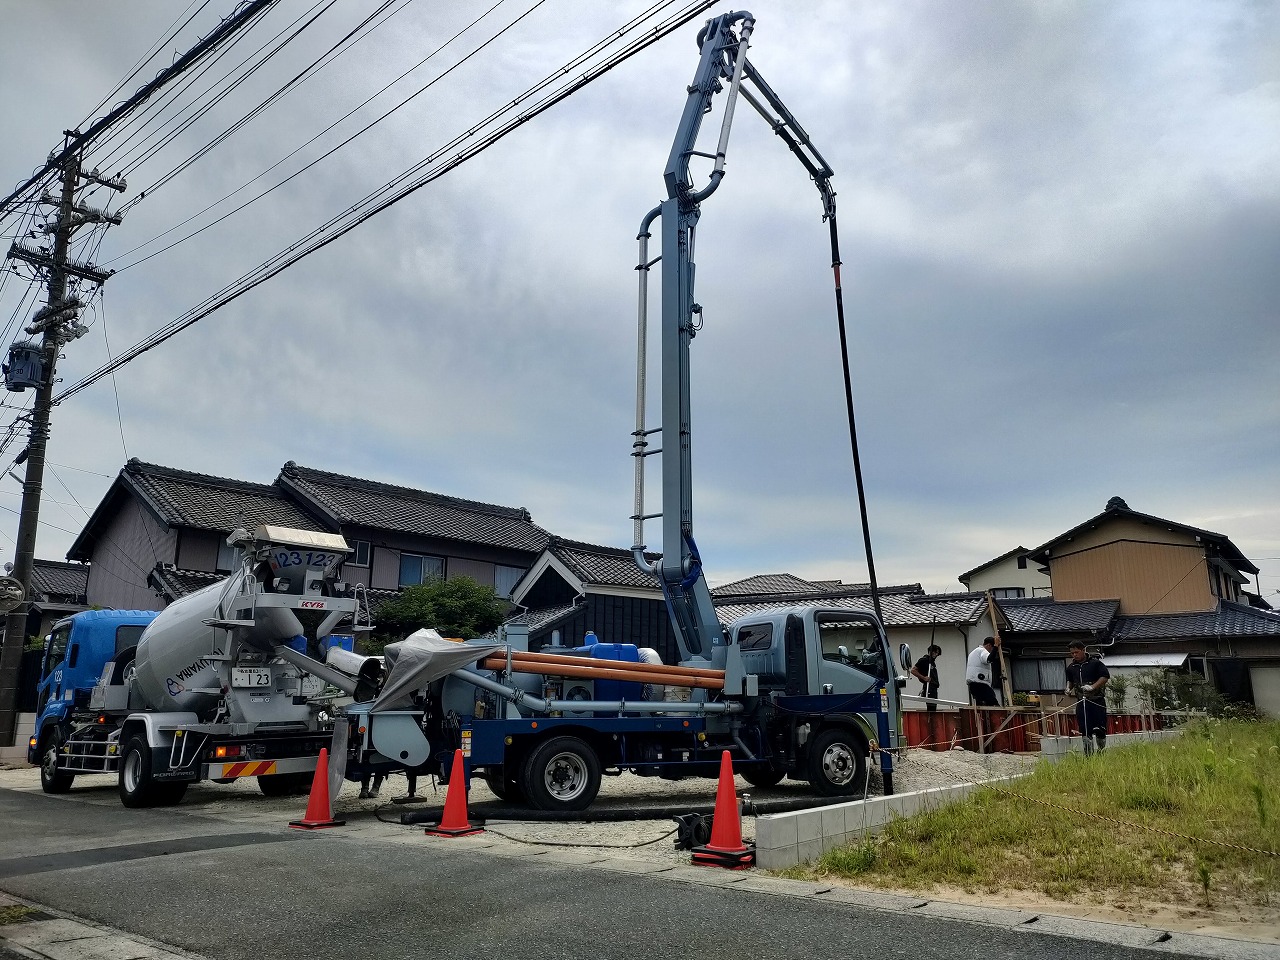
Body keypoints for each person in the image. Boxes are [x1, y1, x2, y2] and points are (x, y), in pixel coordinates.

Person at [1065, 639, 1110, 754]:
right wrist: (1068, 688)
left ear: (1083, 650)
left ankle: (1102, 752)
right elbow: (1070, 680)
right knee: (1085, 729)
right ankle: (1088, 756)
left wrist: (1093, 687)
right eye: (1072, 653)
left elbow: (1105, 676)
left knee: (1100, 728)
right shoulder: (1071, 667)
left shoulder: (1095, 663)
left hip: (1097, 700)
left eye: (1076, 652)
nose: (1074, 655)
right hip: (1082, 702)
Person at [965, 636, 1000, 707]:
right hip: (980, 683)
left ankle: (981, 717)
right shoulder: (982, 651)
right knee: (993, 703)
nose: (992, 651)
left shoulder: (974, 652)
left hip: (974, 683)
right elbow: (989, 659)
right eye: (992, 648)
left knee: (981, 705)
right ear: (989, 645)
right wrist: (996, 646)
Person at [911, 644, 942, 711]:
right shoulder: (924, 660)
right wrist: (923, 677)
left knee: (933, 708)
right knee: (931, 708)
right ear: (931, 652)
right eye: (936, 652)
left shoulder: (932, 662)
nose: (936, 655)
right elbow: (913, 670)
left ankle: (931, 719)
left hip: (933, 687)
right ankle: (930, 720)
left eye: (938, 653)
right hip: (929, 688)